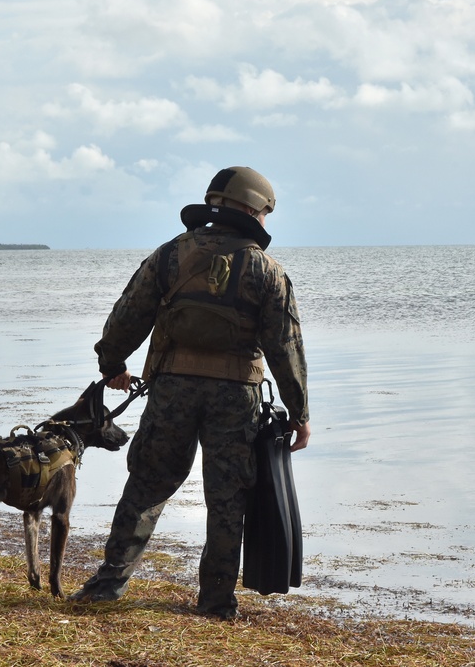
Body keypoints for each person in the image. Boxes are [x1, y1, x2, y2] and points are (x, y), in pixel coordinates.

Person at [69, 166, 311, 619]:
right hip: (236, 399)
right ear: (254, 210)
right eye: (265, 213)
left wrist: (113, 365)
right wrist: (299, 412)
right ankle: (216, 601)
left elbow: (127, 315)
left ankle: (108, 583)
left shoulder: (170, 255)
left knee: (146, 485)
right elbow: (285, 347)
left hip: (171, 390)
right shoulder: (267, 270)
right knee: (227, 499)